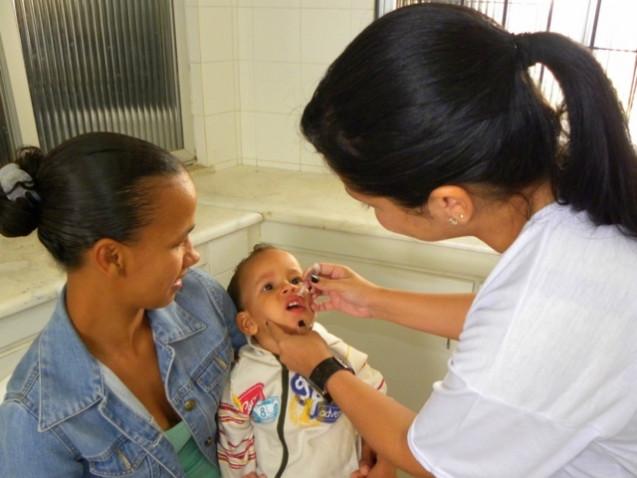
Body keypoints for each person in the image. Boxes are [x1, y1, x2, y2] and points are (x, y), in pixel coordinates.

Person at [266, 3, 637, 478]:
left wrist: (319, 363)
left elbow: (427, 458)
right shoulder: (582, 207)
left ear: (449, 203)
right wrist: (373, 300)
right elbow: (506, 314)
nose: (376, 217)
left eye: (371, 204)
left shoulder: (550, 298)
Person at [0, 132, 246, 477]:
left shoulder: (200, 297)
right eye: (177, 242)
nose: (194, 255)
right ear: (112, 257)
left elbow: (265, 379)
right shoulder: (37, 418)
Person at [217, 244, 394, 478]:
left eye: (295, 280)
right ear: (249, 323)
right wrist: (241, 474)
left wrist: (375, 445)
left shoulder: (334, 349)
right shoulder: (247, 376)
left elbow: (376, 389)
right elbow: (233, 430)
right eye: (268, 287)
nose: (289, 288)